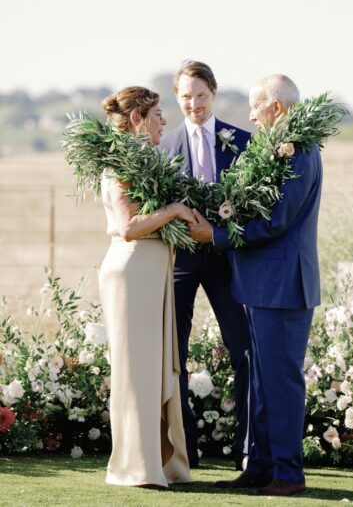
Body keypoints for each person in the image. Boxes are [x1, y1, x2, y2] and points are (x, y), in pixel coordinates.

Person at [190, 74, 323, 496]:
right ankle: (261, 466)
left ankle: (288, 474)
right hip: (261, 284)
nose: (249, 116)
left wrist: (216, 235)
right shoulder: (276, 149)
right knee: (262, 382)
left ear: (277, 108)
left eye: (255, 106)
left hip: (283, 286)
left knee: (280, 382)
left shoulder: (298, 151)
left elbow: (276, 221)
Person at [159, 61, 252, 469]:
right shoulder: (163, 148)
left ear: (213, 93)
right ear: (177, 98)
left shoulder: (244, 143)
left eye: (200, 95)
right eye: (185, 97)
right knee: (173, 354)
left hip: (228, 260)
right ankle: (186, 450)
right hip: (179, 262)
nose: (193, 104)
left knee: (245, 350)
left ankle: (249, 451)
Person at [99, 86, 193, 489]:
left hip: (152, 276)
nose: (164, 121)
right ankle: (138, 466)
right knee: (137, 372)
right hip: (132, 276)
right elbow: (129, 226)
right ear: (137, 119)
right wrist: (173, 210)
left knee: (154, 370)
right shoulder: (119, 162)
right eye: (157, 114)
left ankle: (158, 458)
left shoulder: (145, 159)